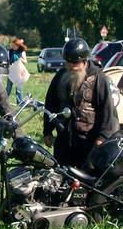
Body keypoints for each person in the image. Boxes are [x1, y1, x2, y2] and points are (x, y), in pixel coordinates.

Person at [42, 38, 118, 168]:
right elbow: (51, 103)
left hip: (89, 140)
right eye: (68, 62)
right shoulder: (60, 76)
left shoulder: (98, 78)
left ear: (84, 61)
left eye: (75, 62)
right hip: (64, 139)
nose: (72, 66)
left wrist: (102, 137)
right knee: (60, 176)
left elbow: (107, 109)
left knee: (86, 177)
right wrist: (47, 131)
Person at [6, 38, 28, 102]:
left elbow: (25, 62)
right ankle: (5, 100)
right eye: (12, 45)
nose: (12, 46)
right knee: (8, 88)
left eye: (14, 45)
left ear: (18, 45)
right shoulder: (9, 51)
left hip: (19, 72)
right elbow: (7, 60)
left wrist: (20, 59)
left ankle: (19, 102)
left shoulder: (22, 52)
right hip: (11, 72)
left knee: (19, 89)